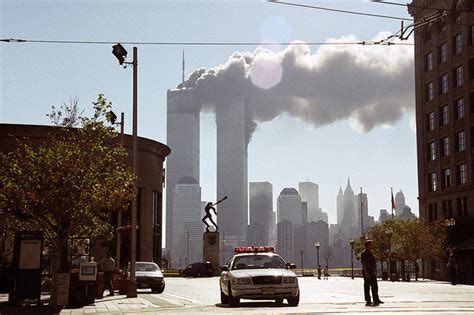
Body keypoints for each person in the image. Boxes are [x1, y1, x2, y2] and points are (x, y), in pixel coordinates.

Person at [361, 239, 383, 306]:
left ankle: (376, 299)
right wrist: (366, 272)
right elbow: (363, 263)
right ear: (367, 245)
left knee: (374, 286)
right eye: (371, 244)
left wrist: (375, 270)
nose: (372, 246)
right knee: (367, 286)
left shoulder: (371, 252)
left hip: (372, 271)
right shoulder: (364, 253)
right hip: (367, 271)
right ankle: (368, 300)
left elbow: (373, 263)